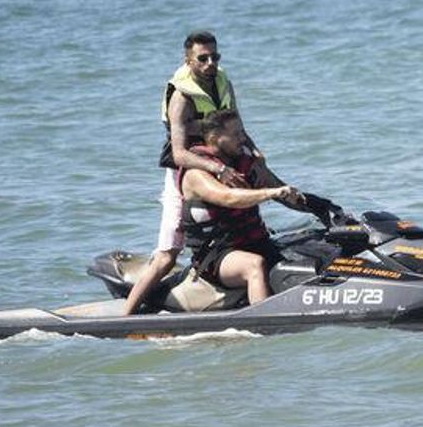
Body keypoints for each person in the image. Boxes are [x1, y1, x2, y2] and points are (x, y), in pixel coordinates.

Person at [122, 31, 255, 315]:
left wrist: (255, 154)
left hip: (220, 164)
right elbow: (180, 153)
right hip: (186, 173)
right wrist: (219, 168)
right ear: (188, 60)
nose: (210, 63)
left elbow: (238, 127)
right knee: (168, 255)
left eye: (215, 57)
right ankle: (126, 316)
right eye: (202, 58)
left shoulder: (223, 81)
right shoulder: (181, 96)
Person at [179, 110, 304, 306]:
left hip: (255, 242)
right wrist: (270, 193)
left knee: (306, 254)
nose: (243, 139)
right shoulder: (196, 175)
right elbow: (228, 197)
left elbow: (285, 193)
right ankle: (263, 322)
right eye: (236, 134)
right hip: (218, 255)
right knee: (254, 266)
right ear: (215, 137)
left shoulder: (244, 164)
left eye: (243, 132)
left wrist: (322, 208)